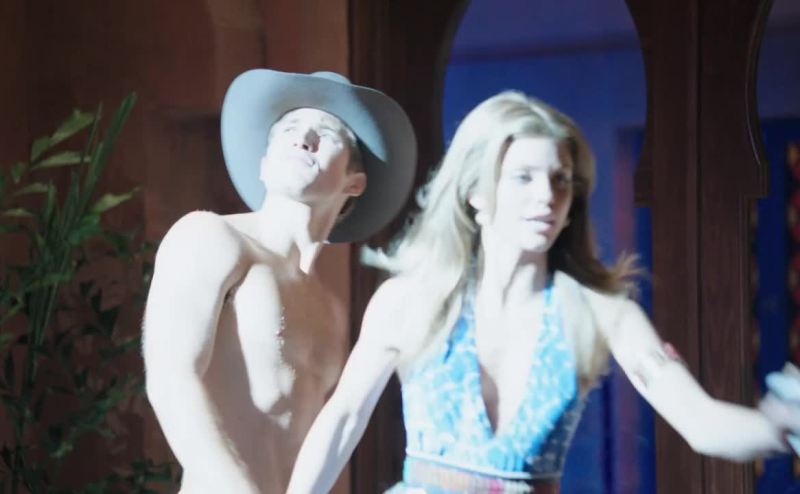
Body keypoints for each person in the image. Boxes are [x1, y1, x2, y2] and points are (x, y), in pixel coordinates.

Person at [286, 91, 800, 494]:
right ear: (475, 192)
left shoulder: (601, 313)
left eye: (561, 181)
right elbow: (344, 419)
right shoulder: (409, 300)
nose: (547, 198)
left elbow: (701, 423)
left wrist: (779, 423)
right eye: (523, 178)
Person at [142, 69, 416, 493]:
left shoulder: (331, 310)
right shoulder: (210, 237)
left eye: (326, 132)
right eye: (288, 129)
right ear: (264, 164)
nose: (303, 138)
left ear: (354, 182)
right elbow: (171, 379)